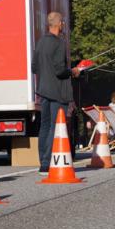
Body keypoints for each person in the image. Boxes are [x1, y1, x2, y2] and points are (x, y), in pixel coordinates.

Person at [32, 11, 81, 176]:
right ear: (59, 24)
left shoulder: (40, 42)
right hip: (57, 91)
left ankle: (42, 163)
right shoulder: (59, 43)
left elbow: (34, 67)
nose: (63, 25)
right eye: (63, 23)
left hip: (43, 89)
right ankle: (47, 164)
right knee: (55, 125)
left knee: (44, 126)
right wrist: (73, 71)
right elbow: (60, 71)